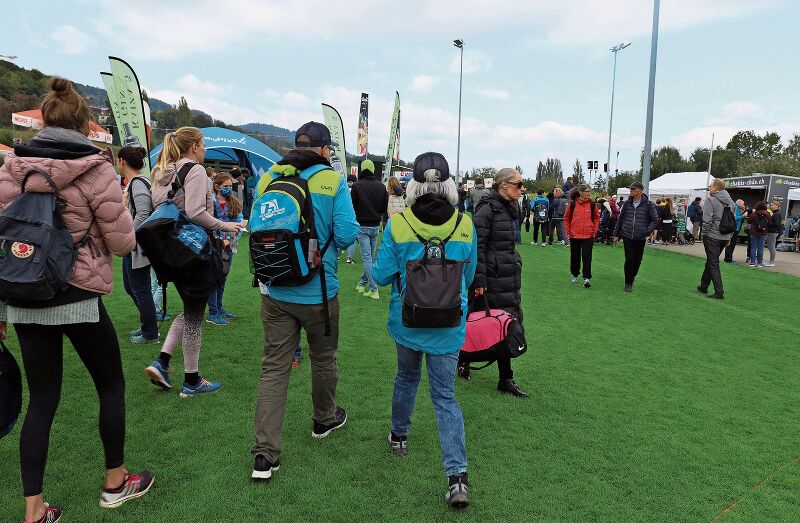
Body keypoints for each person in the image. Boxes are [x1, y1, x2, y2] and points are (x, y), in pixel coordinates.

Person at [0, 77, 154, 523]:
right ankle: (115, 481)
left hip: (24, 291)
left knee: (43, 398)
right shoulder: (97, 168)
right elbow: (124, 242)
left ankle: (34, 511)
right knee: (110, 386)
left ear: (45, 119)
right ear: (86, 124)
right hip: (77, 291)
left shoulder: (12, 165)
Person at [251, 121, 359, 481]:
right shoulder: (332, 181)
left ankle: (265, 455)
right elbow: (345, 235)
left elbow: (255, 227)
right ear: (326, 150)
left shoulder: (270, 177)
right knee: (324, 359)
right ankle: (323, 419)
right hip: (320, 293)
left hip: (276, 290)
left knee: (274, 369)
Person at [373, 152, 476, 509]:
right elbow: (469, 276)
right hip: (448, 325)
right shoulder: (465, 224)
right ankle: (457, 478)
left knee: (406, 378)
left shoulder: (399, 224)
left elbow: (382, 275)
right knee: (445, 397)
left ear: (414, 185)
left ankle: (399, 436)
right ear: (448, 185)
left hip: (408, 322)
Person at [144, 127, 244, 397]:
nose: (205, 150)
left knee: (192, 308)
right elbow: (196, 212)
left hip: (171, 252)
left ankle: (163, 362)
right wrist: (227, 225)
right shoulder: (195, 170)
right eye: (203, 145)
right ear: (194, 147)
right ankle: (191, 379)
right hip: (193, 250)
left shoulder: (163, 172)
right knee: (194, 315)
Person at [466, 168, 528, 398]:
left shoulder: (510, 208)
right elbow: (477, 246)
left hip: (508, 276)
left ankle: (505, 379)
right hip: (491, 278)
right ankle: (465, 361)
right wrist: (479, 279)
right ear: (503, 185)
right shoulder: (487, 208)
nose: (522, 189)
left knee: (506, 324)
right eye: (518, 184)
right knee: (486, 323)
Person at [119, 146, 159, 344]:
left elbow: (143, 214)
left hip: (138, 246)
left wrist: (128, 235)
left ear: (122, 162)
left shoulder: (137, 182)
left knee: (140, 289)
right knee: (131, 287)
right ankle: (148, 325)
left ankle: (150, 333)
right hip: (136, 244)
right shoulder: (140, 181)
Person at [206, 172, 244, 325]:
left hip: (230, 246)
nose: (228, 189)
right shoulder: (211, 203)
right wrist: (221, 239)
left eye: (230, 186)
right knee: (214, 279)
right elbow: (208, 223)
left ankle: (219, 308)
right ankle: (213, 313)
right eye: (225, 186)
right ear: (216, 187)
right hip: (214, 245)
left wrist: (230, 240)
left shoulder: (234, 202)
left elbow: (239, 225)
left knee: (223, 277)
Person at [351, 159, 389, 299]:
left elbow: (352, 207)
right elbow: (384, 208)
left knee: (367, 259)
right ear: (373, 170)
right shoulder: (381, 186)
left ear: (362, 169)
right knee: (370, 258)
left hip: (361, 226)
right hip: (375, 227)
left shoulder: (356, 186)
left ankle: (374, 289)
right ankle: (362, 283)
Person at [612, 182, 659, 292]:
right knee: (629, 259)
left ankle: (631, 277)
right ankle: (628, 282)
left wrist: (647, 231)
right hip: (627, 235)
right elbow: (620, 219)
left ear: (640, 190)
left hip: (640, 237)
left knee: (637, 260)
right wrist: (616, 235)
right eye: (630, 189)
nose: (631, 190)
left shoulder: (649, 204)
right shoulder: (627, 203)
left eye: (633, 189)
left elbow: (655, 220)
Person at [697, 178, 734, 299]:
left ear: (716, 188)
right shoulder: (730, 201)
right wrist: (729, 236)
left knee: (713, 263)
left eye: (710, 186)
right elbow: (732, 220)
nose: (709, 188)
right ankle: (703, 286)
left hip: (713, 235)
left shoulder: (710, 199)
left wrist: (704, 234)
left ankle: (719, 292)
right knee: (711, 261)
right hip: (725, 236)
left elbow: (707, 220)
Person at [564, 183, 600, 288]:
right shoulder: (572, 204)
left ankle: (587, 278)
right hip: (574, 235)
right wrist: (568, 231)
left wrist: (594, 229)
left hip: (588, 235)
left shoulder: (592, 204)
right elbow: (566, 218)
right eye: (587, 191)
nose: (589, 193)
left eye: (590, 191)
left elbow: (596, 218)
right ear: (580, 192)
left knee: (587, 256)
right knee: (575, 256)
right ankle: (575, 275)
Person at [747, 201, 770, 268]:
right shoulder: (768, 214)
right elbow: (769, 223)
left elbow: (748, 221)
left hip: (753, 233)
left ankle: (752, 262)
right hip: (763, 233)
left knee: (753, 247)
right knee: (760, 248)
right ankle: (760, 262)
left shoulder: (754, 214)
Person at [724, 199, 746, 263]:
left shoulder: (736, 208)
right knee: (731, 244)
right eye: (743, 204)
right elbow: (735, 218)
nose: (743, 205)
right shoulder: (735, 208)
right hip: (734, 228)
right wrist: (743, 216)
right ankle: (728, 259)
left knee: (731, 244)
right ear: (739, 203)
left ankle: (729, 258)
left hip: (735, 228)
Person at [765, 200, 782, 267]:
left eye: (772, 205)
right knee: (770, 247)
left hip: (773, 232)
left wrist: (768, 223)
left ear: (777, 206)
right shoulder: (775, 213)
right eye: (771, 205)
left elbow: (777, 224)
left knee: (771, 247)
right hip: (772, 232)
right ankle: (771, 261)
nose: (771, 206)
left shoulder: (777, 214)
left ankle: (772, 262)